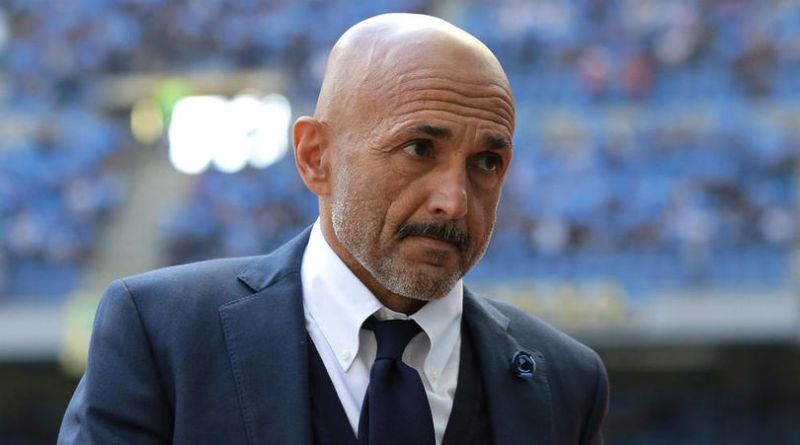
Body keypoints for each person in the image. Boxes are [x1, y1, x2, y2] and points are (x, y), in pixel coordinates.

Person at [58, 13, 608, 445]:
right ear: (315, 156)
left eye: (487, 162)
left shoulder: (568, 382)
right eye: (419, 149)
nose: (453, 201)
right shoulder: (160, 336)